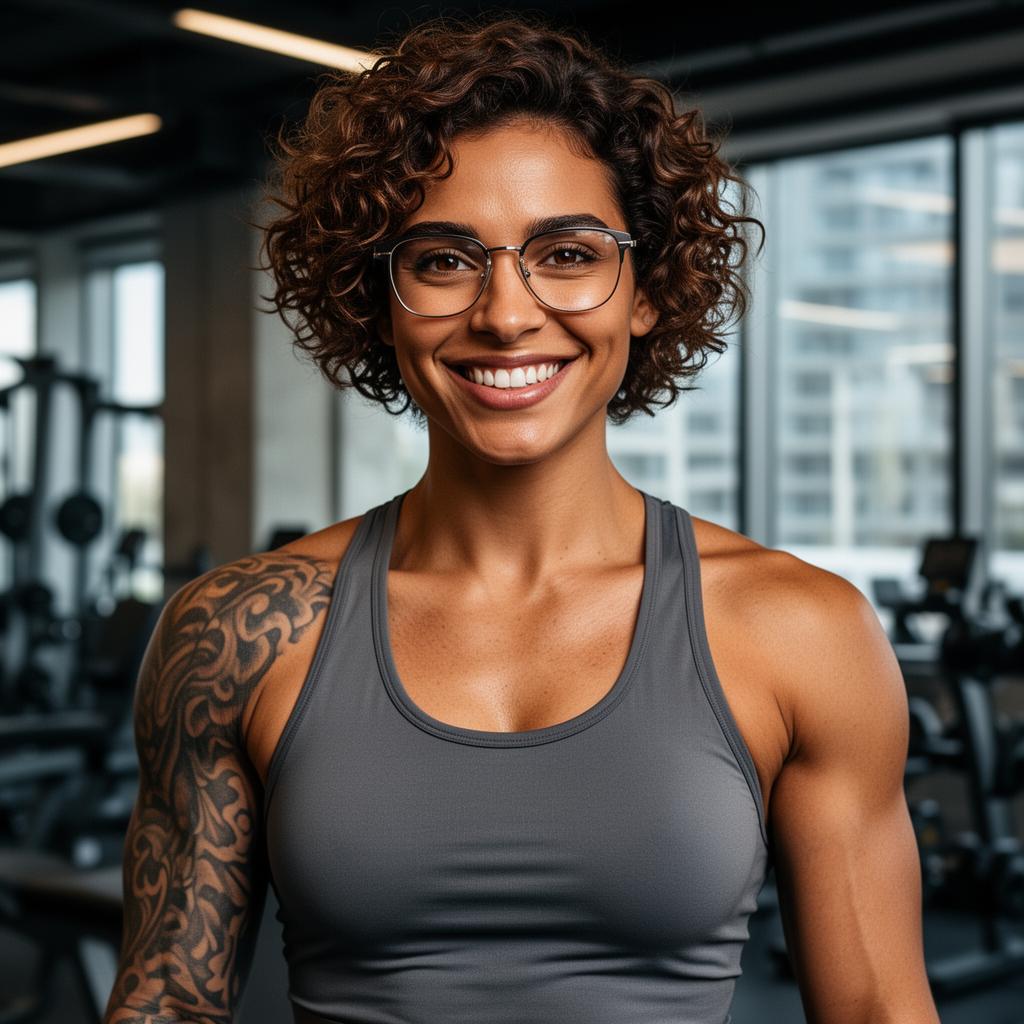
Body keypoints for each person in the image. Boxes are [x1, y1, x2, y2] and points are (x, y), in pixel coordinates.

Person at [103, 11, 941, 1024]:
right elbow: (163, 1012)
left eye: (569, 253)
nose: (505, 313)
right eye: (443, 260)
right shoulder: (237, 631)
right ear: (378, 298)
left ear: (643, 288)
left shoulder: (802, 630)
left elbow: (877, 1012)